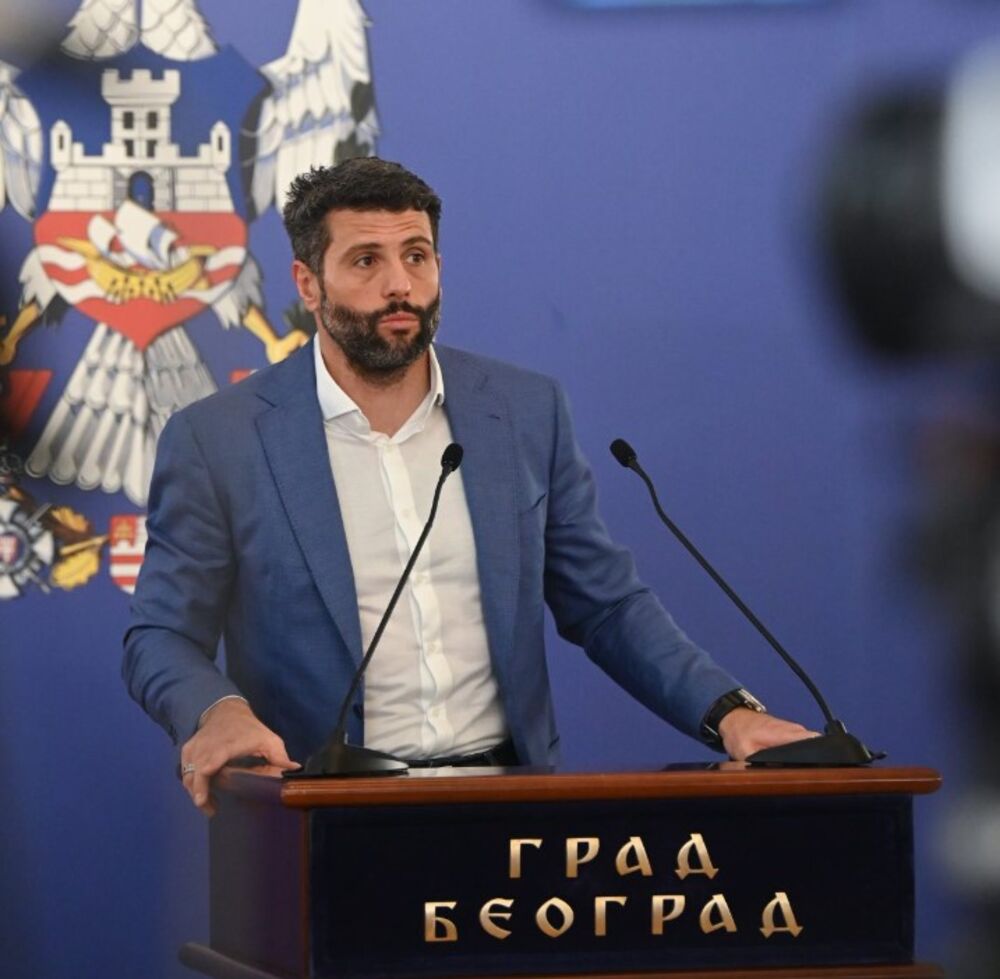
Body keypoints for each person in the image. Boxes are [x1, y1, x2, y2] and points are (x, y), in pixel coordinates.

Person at [123, 158, 813, 814]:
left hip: (507, 809)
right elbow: (162, 633)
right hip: (321, 812)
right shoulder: (220, 439)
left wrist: (729, 713)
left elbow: (605, 606)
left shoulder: (523, 412)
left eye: (416, 256)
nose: (400, 285)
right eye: (366, 261)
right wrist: (218, 711)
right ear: (308, 284)